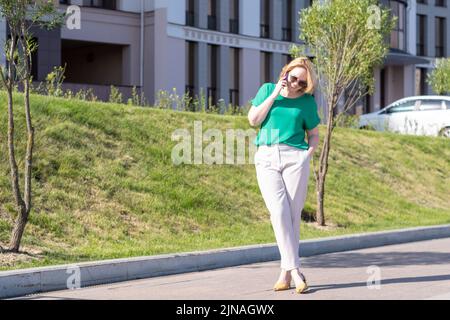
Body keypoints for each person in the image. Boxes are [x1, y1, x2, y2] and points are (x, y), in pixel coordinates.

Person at [247, 57, 321, 294]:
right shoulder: (268, 90)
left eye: (302, 83)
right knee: (278, 212)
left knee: (292, 216)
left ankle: (285, 274)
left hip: (295, 158)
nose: (297, 84)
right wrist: (274, 94)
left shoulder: (307, 103)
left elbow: (314, 135)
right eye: (294, 78)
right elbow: (253, 120)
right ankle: (296, 271)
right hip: (267, 156)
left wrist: (306, 156)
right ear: (285, 73)